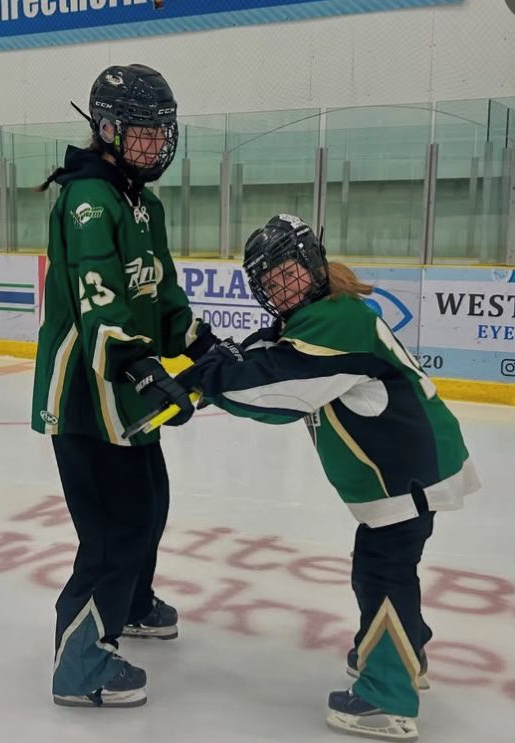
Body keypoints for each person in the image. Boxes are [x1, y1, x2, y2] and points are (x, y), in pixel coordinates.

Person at [176, 214, 480, 741]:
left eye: (287, 272)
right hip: (410, 468)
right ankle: (405, 652)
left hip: (405, 474)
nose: (281, 286)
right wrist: (221, 360)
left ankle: (389, 698)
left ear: (312, 265)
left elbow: (279, 391)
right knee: (385, 569)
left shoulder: (337, 322)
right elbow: (275, 358)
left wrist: (206, 381)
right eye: (269, 282)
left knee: (383, 573)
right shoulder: (324, 315)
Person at [31, 64, 217, 709]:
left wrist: (198, 343)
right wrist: (141, 366)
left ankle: (132, 604)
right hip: (87, 390)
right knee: (114, 527)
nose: (153, 145)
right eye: (141, 133)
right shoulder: (89, 200)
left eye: (160, 132)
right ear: (107, 130)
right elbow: (98, 296)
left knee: (150, 503)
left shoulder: (143, 202)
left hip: (126, 390)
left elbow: (159, 293)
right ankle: (79, 664)